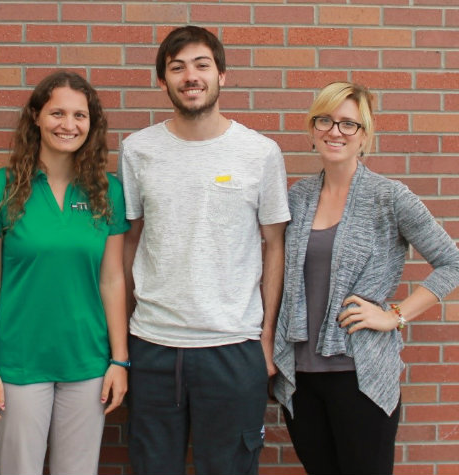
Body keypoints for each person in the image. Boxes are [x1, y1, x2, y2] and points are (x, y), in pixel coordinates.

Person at [118, 26, 290, 475]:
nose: (190, 76)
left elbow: (275, 246)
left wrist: (266, 338)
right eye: (177, 68)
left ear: (222, 76)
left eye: (201, 65)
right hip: (153, 346)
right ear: (163, 82)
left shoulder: (260, 153)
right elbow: (130, 238)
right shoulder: (137, 150)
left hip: (232, 347)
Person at [273, 82, 459, 475]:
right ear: (311, 130)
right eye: (325, 120)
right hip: (301, 377)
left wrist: (395, 315)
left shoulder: (390, 197)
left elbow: (451, 263)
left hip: (360, 376)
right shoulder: (298, 197)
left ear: (365, 136)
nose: (334, 131)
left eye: (348, 124)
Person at [0, 70, 129, 475]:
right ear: (36, 117)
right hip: (18, 364)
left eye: (80, 115)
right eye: (57, 113)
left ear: (92, 125)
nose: (68, 125)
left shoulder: (107, 191)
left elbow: (112, 279)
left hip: (87, 363)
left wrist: (120, 360)